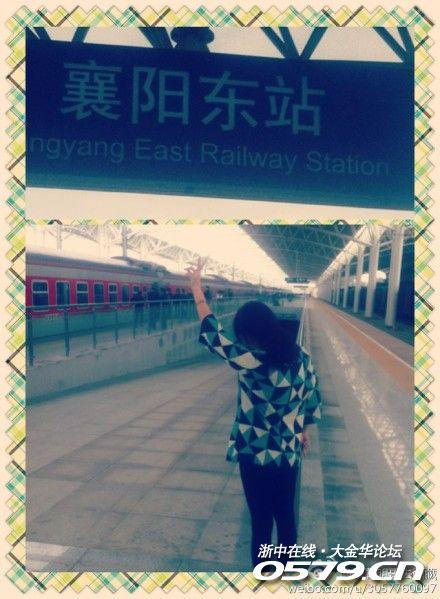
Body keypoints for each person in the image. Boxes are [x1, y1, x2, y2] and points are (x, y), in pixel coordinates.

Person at [186, 257, 321, 569]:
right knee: (285, 518)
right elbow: (312, 396)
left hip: (254, 452)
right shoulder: (301, 357)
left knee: (261, 521)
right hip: (287, 452)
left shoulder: (250, 361)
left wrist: (196, 289)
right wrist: (304, 429)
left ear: (249, 334)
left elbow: (213, 334)